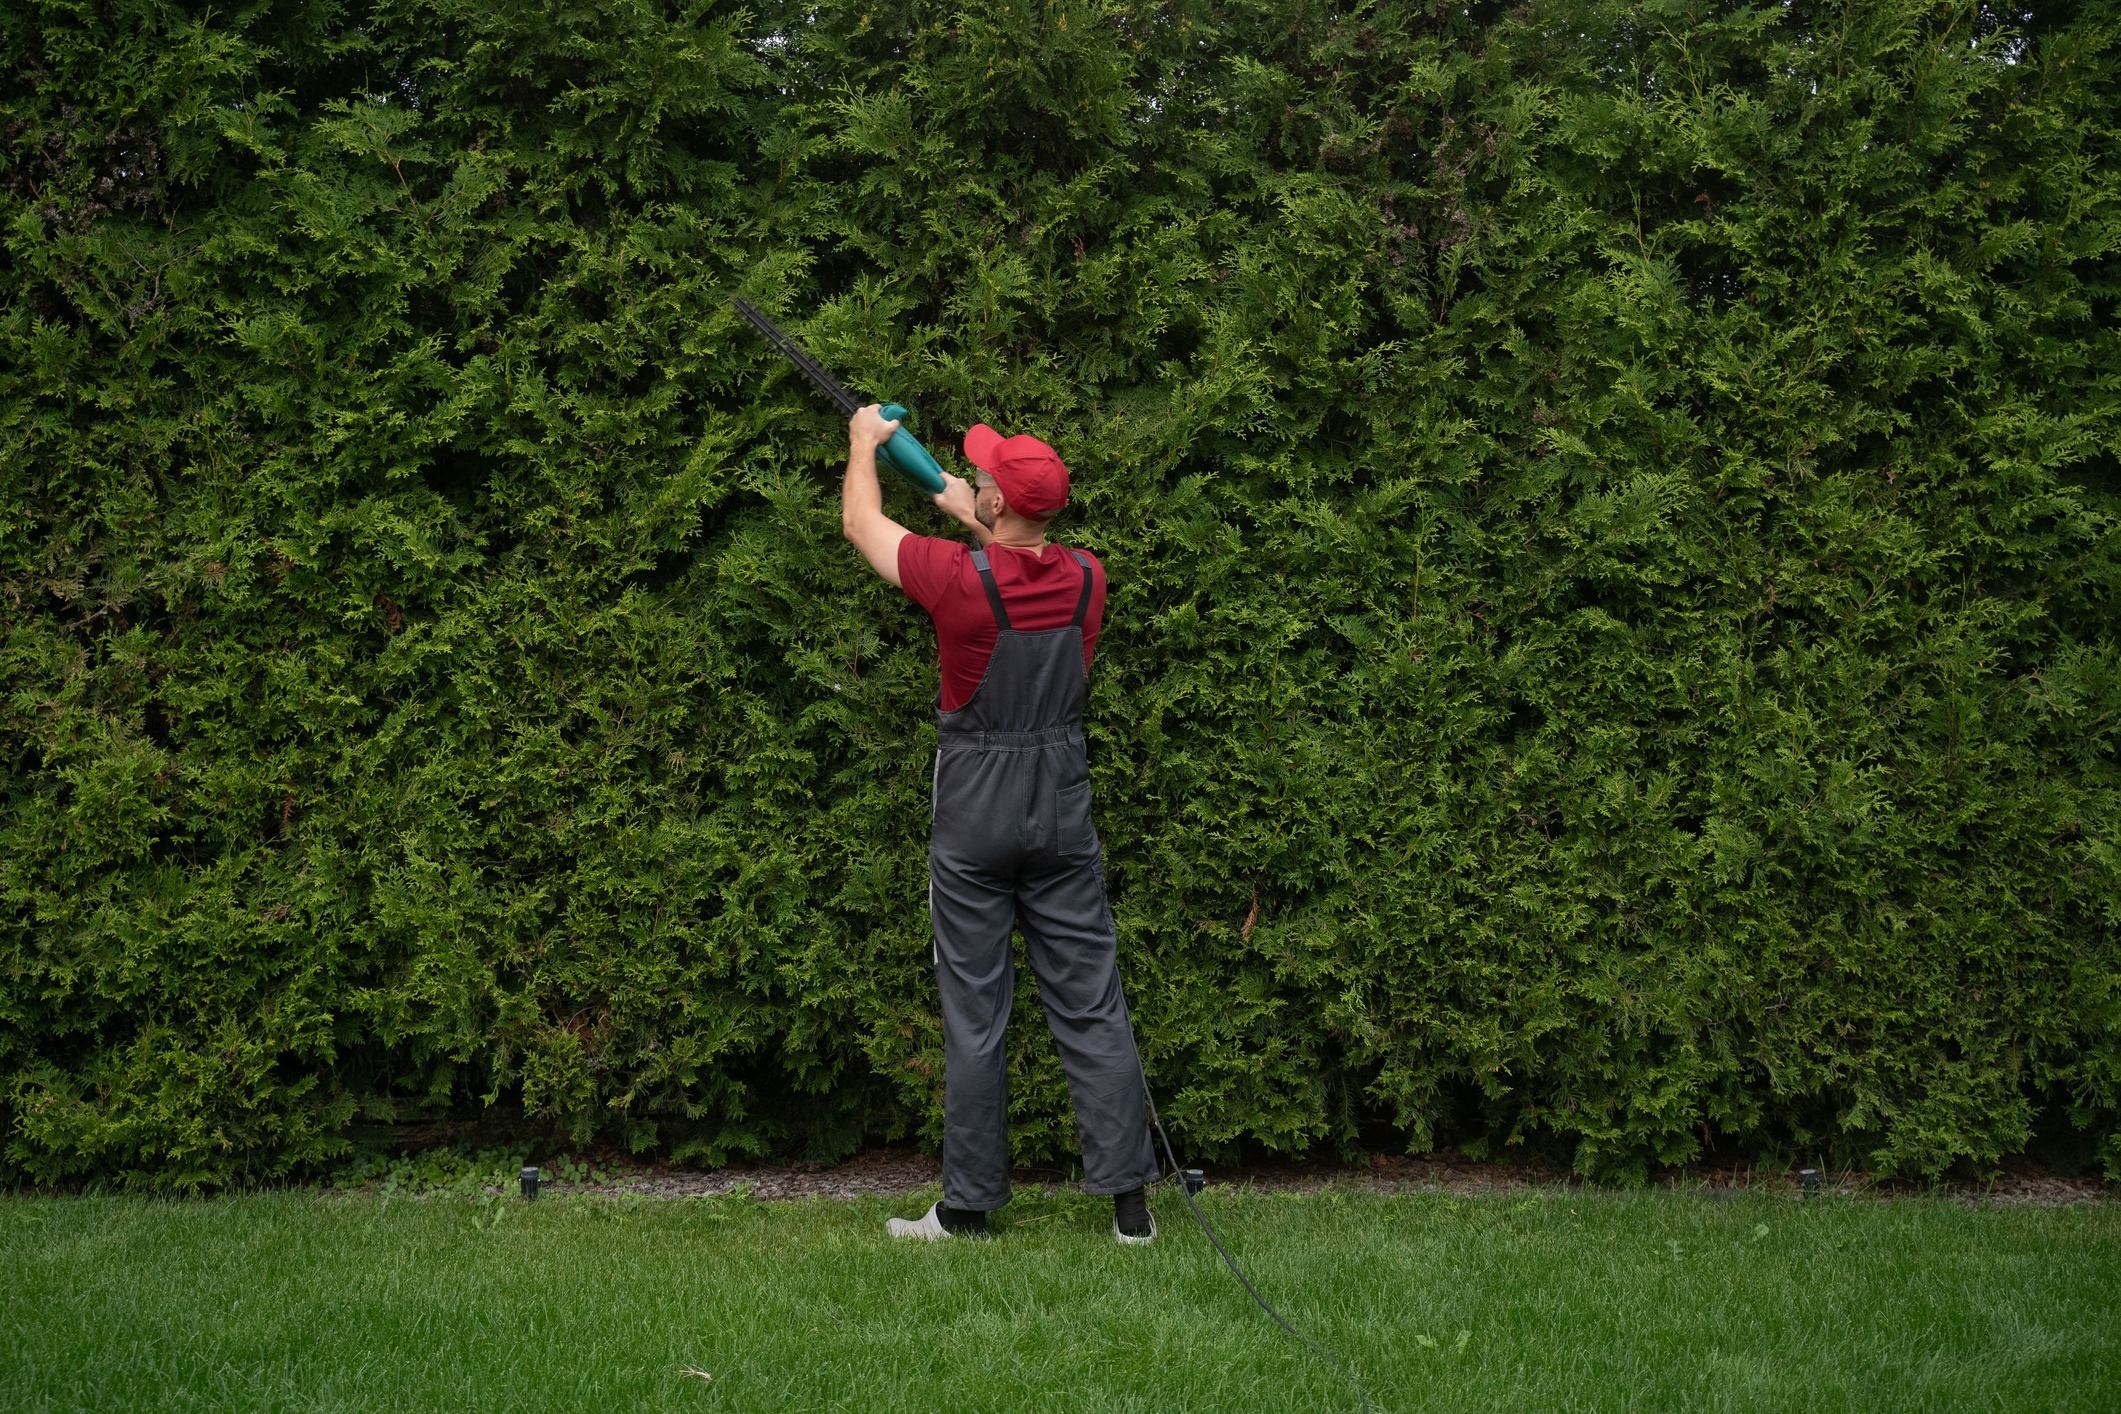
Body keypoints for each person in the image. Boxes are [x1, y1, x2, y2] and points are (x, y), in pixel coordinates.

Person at [839, 403, 1159, 1245]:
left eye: (982, 479)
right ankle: (1130, 1211)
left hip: (977, 808)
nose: (972, 479)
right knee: (1090, 1003)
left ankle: (970, 1210)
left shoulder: (954, 580)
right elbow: (1024, 574)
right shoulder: (1087, 577)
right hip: (1058, 803)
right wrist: (971, 509)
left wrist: (864, 444)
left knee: (975, 1013)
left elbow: (860, 523)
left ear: (997, 509)